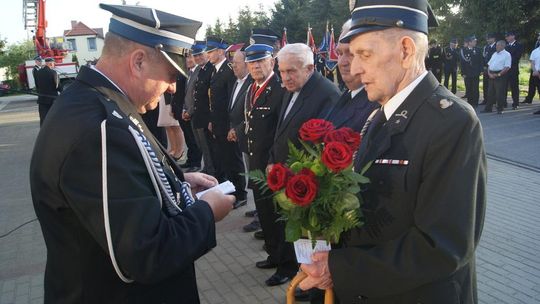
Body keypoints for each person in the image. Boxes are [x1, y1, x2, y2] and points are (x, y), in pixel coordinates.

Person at [29, 4, 234, 303]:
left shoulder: (100, 104)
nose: (172, 89)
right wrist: (207, 212)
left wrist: (177, 182)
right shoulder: (98, 127)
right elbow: (146, 253)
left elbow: (122, 184)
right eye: (169, 76)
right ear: (138, 62)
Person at [299, 1, 487, 304]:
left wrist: (339, 268)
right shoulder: (380, 114)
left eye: (364, 54)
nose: (355, 69)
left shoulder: (452, 122)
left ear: (405, 50)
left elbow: (441, 246)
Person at [266, 43, 340, 287]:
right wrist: (271, 161)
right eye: (282, 71)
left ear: (309, 68)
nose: (285, 77)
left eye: (291, 71)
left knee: (307, 237)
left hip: (307, 183)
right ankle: (296, 272)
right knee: (292, 233)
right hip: (286, 176)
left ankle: (312, 283)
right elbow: (281, 129)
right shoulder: (290, 88)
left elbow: (320, 145)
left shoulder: (326, 93)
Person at [240, 33, 287, 286]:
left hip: (271, 164)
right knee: (265, 213)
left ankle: (284, 264)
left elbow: (279, 130)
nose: (256, 66)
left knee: (275, 214)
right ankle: (272, 254)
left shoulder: (278, 90)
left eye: (261, 61)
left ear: (272, 62)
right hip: (255, 161)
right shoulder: (252, 88)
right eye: (252, 62)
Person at [206, 36, 247, 206]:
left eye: (211, 51)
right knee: (224, 159)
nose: (208, 55)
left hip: (227, 125)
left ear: (220, 51)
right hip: (218, 124)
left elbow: (232, 100)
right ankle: (231, 189)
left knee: (233, 160)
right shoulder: (216, 70)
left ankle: (240, 194)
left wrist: (232, 126)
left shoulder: (228, 71)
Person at [324, 19, 378, 131]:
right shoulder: (348, 94)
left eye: (351, 53)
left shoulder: (376, 104)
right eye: (339, 53)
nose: (342, 62)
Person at [226, 49, 252, 209]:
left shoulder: (250, 83)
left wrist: (237, 129)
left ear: (247, 64)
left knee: (251, 171)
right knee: (243, 166)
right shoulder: (237, 82)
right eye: (232, 63)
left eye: (236, 63)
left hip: (247, 133)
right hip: (236, 131)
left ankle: (245, 198)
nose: (234, 66)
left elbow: (250, 110)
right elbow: (233, 108)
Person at [191, 41, 216, 175]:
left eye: (200, 55)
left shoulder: (211, 69)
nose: (198, 58)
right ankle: (207, 168)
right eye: (195, 56)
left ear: (206, 54)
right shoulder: (201, 70)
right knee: (203, 146)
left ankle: (211, 172)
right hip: (199, 115)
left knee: (209, 148)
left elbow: (211, 96)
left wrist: (211, 118)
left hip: (207, 116)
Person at [483, 40, 511, 114]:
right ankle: (488, 108)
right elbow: (489, 64)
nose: (496, 47)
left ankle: (500, 109)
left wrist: (498, 74)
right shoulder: (495, 54)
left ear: (502, 46)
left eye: (498, 45)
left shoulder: (507, 54)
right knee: (490, 93)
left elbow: (507, 67)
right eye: (496, 45)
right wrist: (489, 73)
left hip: (500, 75)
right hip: (491, 74)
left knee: (499, 93)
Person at [35, 57, 59, 125]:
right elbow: (57, 86)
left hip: (42, 99)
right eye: (54, 63)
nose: (54, 65)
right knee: (54, 117)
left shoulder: (38, 72)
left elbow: (37, 85)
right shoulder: (53, 72)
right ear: (51, 63)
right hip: (52, 99)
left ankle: (43, 133)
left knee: (43, 118)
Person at [462, 35, 483, 107]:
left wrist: (481, 70)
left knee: (475, 88)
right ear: (469, 42)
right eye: (474, 41)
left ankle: (475, 102)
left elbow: (481, 61)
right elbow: (462, 63)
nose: (475, 42)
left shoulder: (478, 49)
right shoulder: (464, 50)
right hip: (467, 72)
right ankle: (470, 102)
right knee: (468, 87)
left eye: (475, 41)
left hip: (475, 72)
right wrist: (463, 72)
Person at [505, 31, 524, 109]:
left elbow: (516, 57)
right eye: (506, 37)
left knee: (514, 87)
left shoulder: (519, 45)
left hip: (513, 69)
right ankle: (503, 102)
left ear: (513, 36)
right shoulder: (506, 46)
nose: (506, 38)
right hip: (505, 70)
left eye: (508, 36)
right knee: (504, 87)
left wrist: (506, 62)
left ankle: (515, 103)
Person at [523, 32, 540, 105]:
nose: (539, 37)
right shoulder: (535, 50)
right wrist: (535, 70)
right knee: (533, 86)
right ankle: (529, 99)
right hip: (535, 71)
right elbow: (532, 62)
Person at [482, 33, 497, 105]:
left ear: (493, 39)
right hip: (486, 68)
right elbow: (484, 57)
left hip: (493, 69)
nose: (487, 40)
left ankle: (493, 100)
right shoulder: (486, 47)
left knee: (493, 86)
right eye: (487, 38)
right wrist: (484, 66)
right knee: (485, 85)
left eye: (489, 38)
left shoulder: (497, 46)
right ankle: (486, 99)